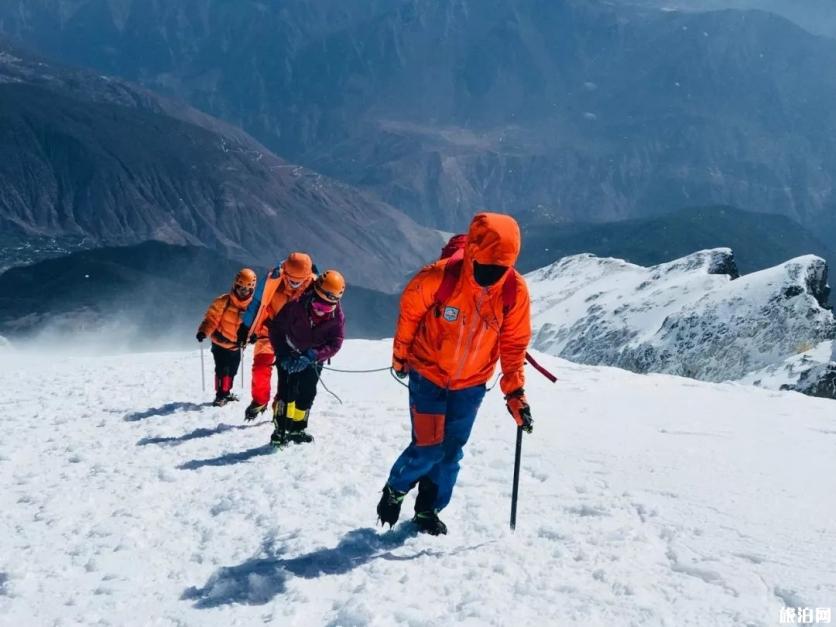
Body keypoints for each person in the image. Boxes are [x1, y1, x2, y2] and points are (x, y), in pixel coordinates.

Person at [376, 212, 533, 535]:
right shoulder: (438, 278)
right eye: (485, 266)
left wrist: (515, 393)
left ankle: (428, 511)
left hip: (471, 384)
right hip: (428, 373)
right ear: (472, 254)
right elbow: (409, 316)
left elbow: (514, 344)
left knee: (450, 453)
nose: (491, 275)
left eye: (499, 269)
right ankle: (396, 488)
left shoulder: (514, 291)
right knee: (429, 446)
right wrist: (401, 357)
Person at [267, 270, 346, 446]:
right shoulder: (296, 306)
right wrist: (283, 355)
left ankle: (297, 429)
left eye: (326, 308)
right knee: (287, 392)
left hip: (312, 360)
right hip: (289, 353)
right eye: (318, 305)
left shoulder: (337, 318)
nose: (320, 311)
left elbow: (335, 343)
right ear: (313, 295)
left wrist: (313, 355)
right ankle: (280, 430)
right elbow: (276, 329)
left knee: (307, 392)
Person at [238, 253, 316, 420]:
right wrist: (245, 327)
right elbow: (257, 303)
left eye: (299, 280)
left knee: (288, 374)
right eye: (291, 279)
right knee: (260, 368)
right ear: (285, 272)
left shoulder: (314, 286)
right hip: (269, 332)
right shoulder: (272, 281)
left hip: (295, 339)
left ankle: (279, 408)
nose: (294, 284)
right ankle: (260, 401)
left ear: (308, 276)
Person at [196, 268, 257, 406]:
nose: (243, 292)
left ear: (252, 290)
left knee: (232, 371)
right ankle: (220, 395)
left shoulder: (253, 307)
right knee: (222, 369)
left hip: (236, 346)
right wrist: (203, 332)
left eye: (246, 290)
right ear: (235, 285)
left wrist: (255, 336)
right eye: (240, 288)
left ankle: (226, 392)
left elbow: (257, 324)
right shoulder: (223, 301)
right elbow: (211, 319)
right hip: (220, 342)